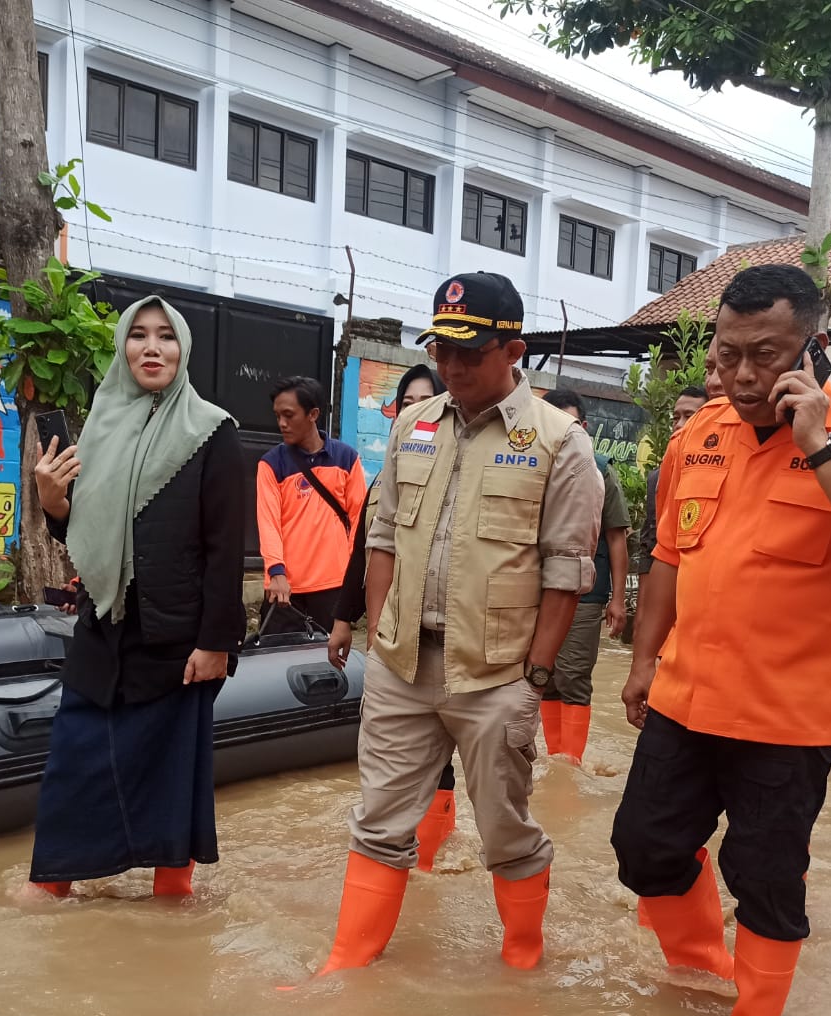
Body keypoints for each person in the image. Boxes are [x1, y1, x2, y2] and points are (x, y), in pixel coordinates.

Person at [616, 264, 831, 1016]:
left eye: (768, 354)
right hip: (685, 699)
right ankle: (700, 972)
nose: (744, 374)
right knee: (643, 848)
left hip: (787, 718)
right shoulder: (699, 431)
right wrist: (641, 660)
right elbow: (670, 558)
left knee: (763, 879)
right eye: (728, 354)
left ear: (812, 347)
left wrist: (820, 448)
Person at [309, 271, 602, 975]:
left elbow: (567, 573)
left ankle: (522, 960)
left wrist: (535, 677)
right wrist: (381, 635)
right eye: (442, 349)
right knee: (378, 821)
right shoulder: (414, 424)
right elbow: (382, 538)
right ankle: (344, 968)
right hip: (404, 667)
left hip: (498, 674)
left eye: (469, 351)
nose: (451, 365)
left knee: (505, 829)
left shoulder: (560, 443)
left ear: (515, 350)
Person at [27, 297, 245, 899]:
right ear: (122, 347)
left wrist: (215, 642)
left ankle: (171, 899)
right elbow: (87, 532)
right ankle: (50, 890)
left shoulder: (213, 432)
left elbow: (226, 549)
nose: (152, 348)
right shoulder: (100, 426)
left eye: (167, 337)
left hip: (178, 642)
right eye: (139, 336)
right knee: (74, 763)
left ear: (184, 349)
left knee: (173, 776)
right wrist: (52, 503)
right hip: (104, 627)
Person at [328, 363, 462, 872]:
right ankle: (401, 855)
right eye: (405, 402)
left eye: (423, 400)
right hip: (393, 636)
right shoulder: (385, 477)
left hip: (447, 637)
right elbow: (364, 554)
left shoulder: (459, 476)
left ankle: (431, 858)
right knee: (394, 762)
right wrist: (345, 621)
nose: (413, 409)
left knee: (439, 754)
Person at [538, 389, 630, 764]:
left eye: (569, 423)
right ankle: (554, 759)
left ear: (584, 427)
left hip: (584, 592)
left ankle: (570, 765)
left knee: (573, 675)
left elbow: (617, 536)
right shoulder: (532, 464)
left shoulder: (600, 468)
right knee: (543, 674)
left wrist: (618, 598)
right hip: (537, 589)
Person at [255, 376, 366, 637]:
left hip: (333, 587)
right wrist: (276, 573)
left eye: (289, 415)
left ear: (313, 414)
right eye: (278, 415)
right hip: (285, 589)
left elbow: (359, 520)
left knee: (327, 670)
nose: (281, 423)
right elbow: (268, 523)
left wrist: (352, 577)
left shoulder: (346, 459)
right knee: (278, 666)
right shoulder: (271, 464)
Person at [639, 386, 710, 570]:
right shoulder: (657, 475)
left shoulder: (716, 471)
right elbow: (650, 537)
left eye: (689, 416)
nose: (679, 424)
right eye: (676, 418)